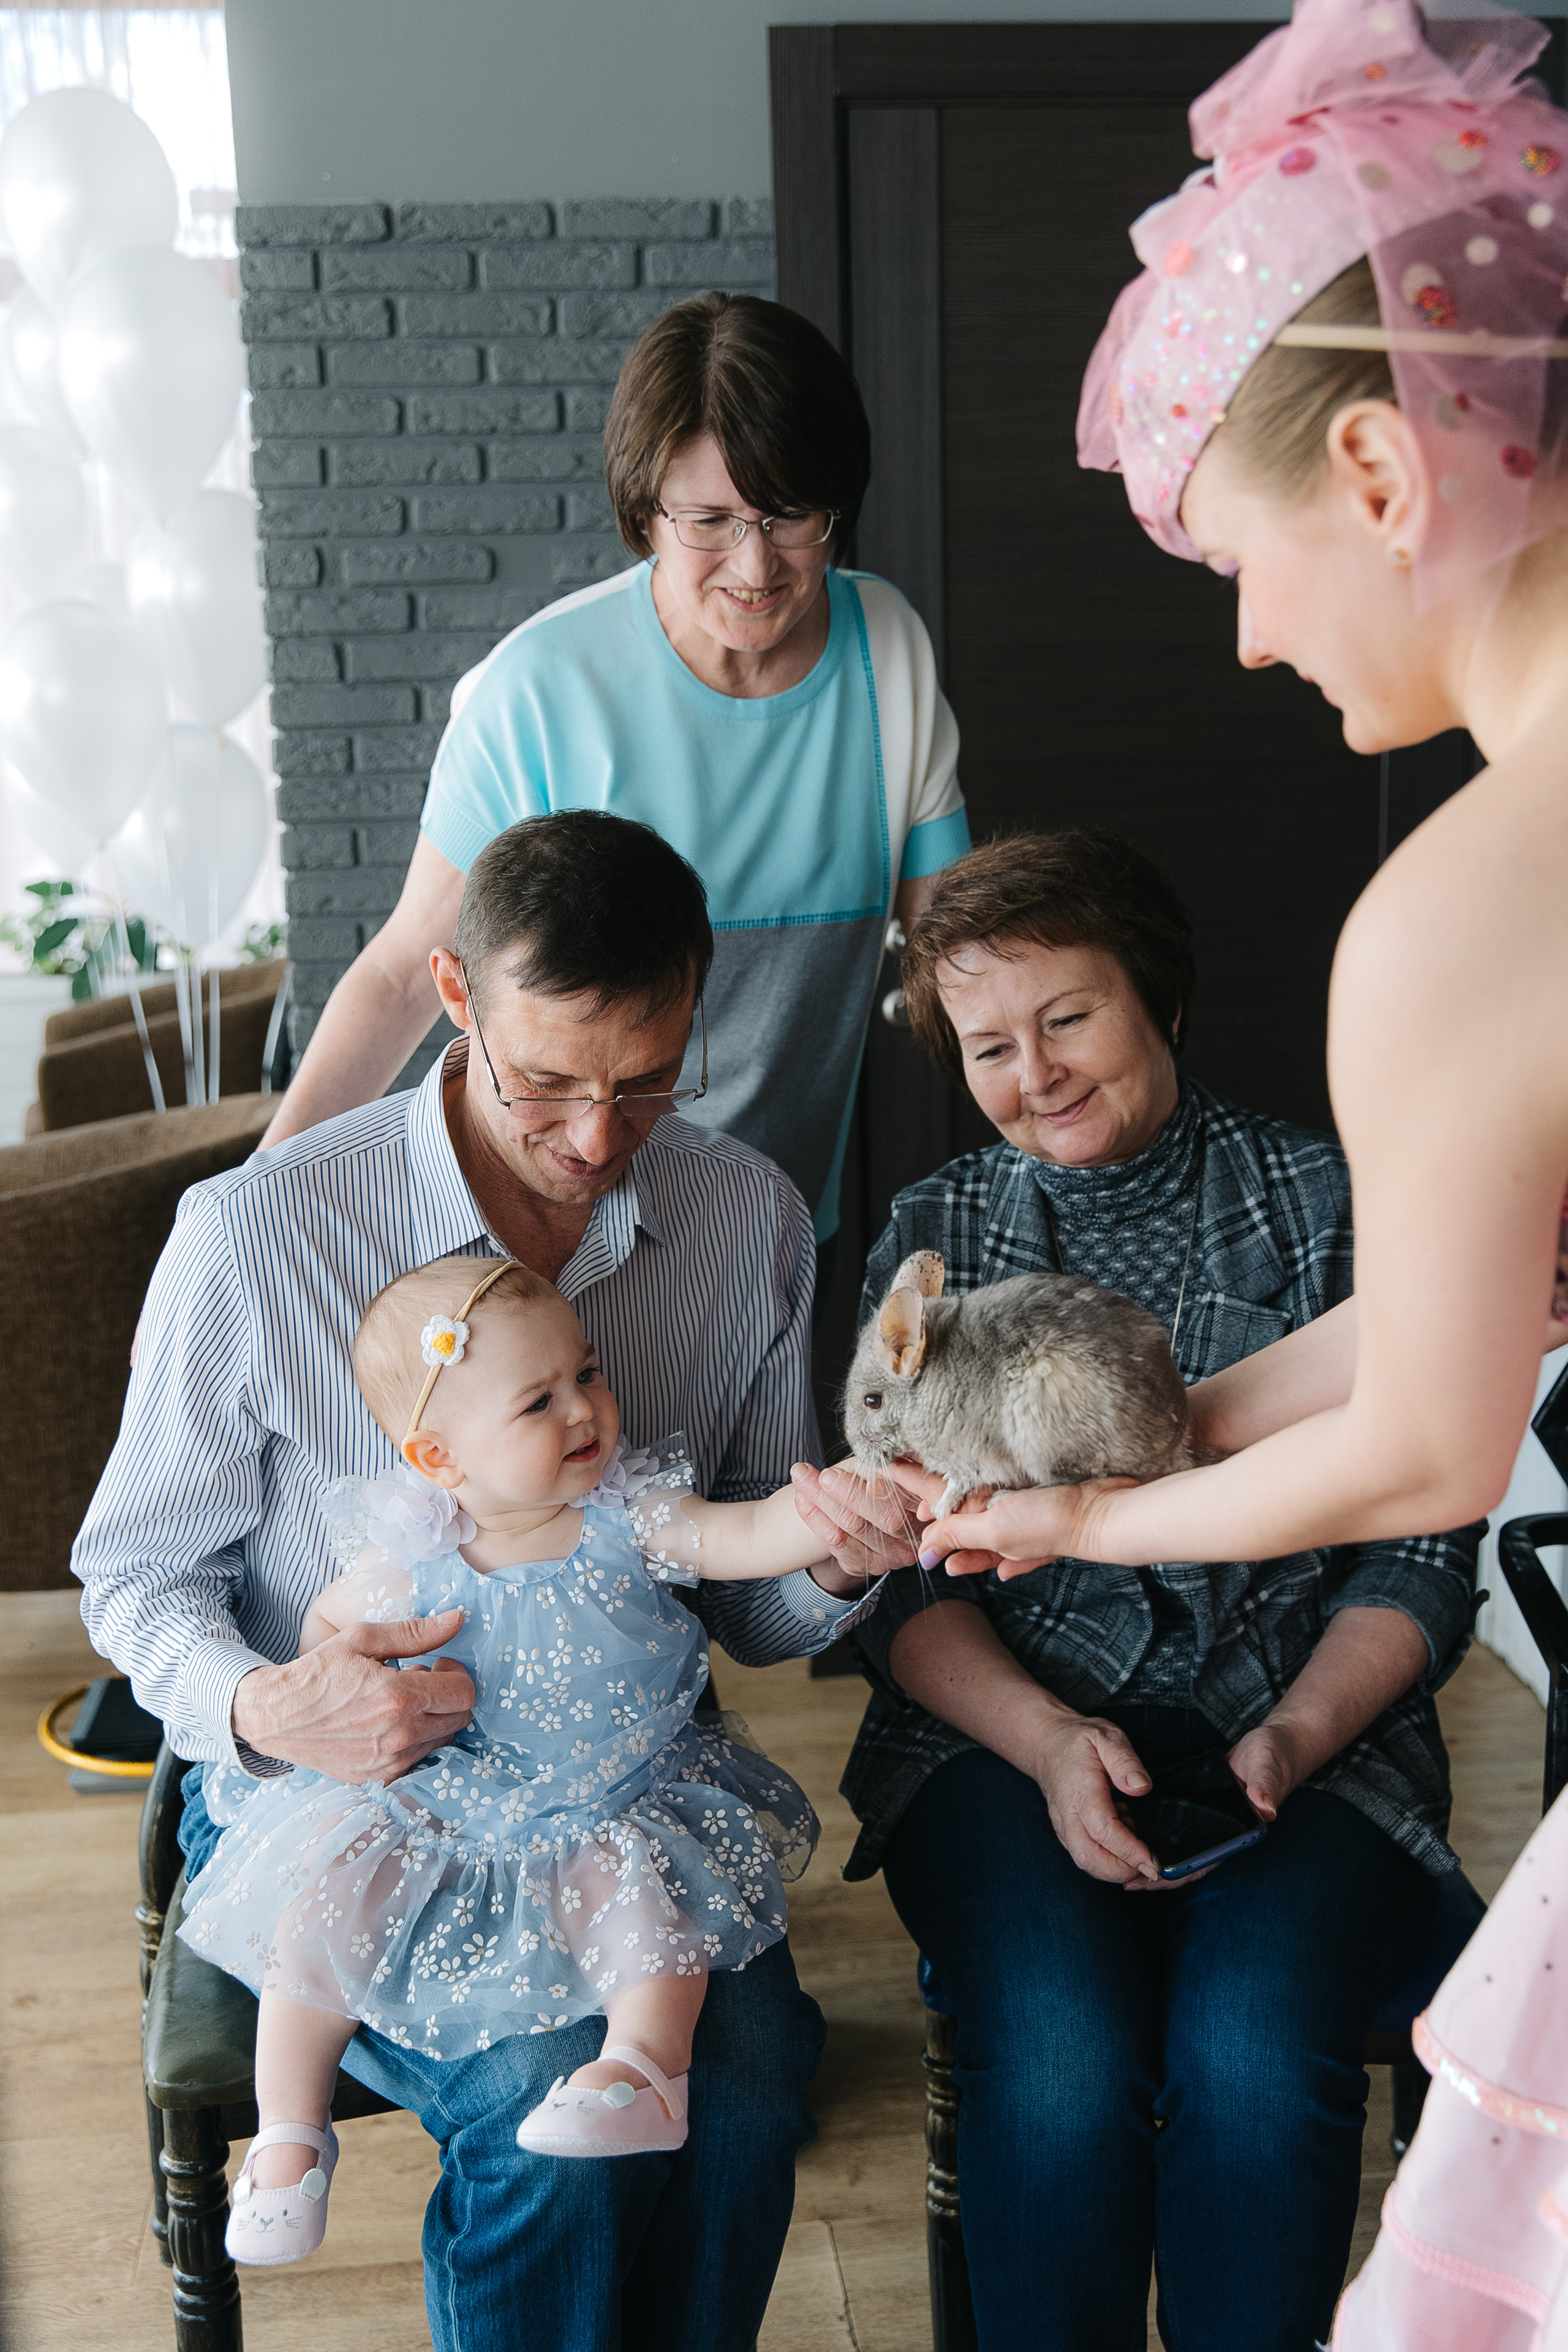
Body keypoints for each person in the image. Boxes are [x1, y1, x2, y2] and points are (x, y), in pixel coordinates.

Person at [74, 809, 913, 2352]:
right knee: (543, 2112)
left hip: (619, 1791)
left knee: (740, 2096)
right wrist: (267, 1704)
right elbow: (131, 1577)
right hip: (343, 1800)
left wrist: (837, 1563)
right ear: (454, 996)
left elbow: (751, 1606)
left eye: (645, 1080)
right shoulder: (257, 1236)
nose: (594, 1139)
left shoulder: (745, 1219)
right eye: (546, 1082)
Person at [910, 0, 1568, 1589]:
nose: (1253, 638)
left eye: (1237, 564)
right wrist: (1172, 1427)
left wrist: (1085, 1523)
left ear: (1380, 477)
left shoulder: (1457, 922)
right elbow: (1485, 1309)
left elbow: (1426, 1445)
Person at [834, 829, 1482, 2350]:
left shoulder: (1325, 1200)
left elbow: (1417, 1547)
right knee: (1060, 2060)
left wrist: (1296, 1734)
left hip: (1306, 1730)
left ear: (1161, 1001)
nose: (1035, 1073)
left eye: (1068, 1017)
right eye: (988, 1047)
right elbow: (902, 1586)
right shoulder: (935, 1237)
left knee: (1251, 2057)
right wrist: (1051, 1743)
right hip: (1002, 1740)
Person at [260, 290, 969, 1286]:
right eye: (710, 520)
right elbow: (399, 977)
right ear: (645, 515)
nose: (756, 564)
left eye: (789, 517)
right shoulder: (542, 688)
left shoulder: (886, 648)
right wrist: (243, 1212)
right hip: (544, 1233)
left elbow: (956, 952)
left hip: (769, 1228)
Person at [188, 1251, 868, 2263]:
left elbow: (750, 1535)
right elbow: (327, 1638)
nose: (584, 1408)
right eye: (539, 1401)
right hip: (445, 1810)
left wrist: (834, 1506)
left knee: (647, 1910)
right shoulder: (408, 1560)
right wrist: (348, 1681)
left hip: (613, 1798)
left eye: (587, 1373)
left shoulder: (632, 1518)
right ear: (437, 1457)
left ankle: (642, 2073)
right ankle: (291, 2132)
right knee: (323, 1919)